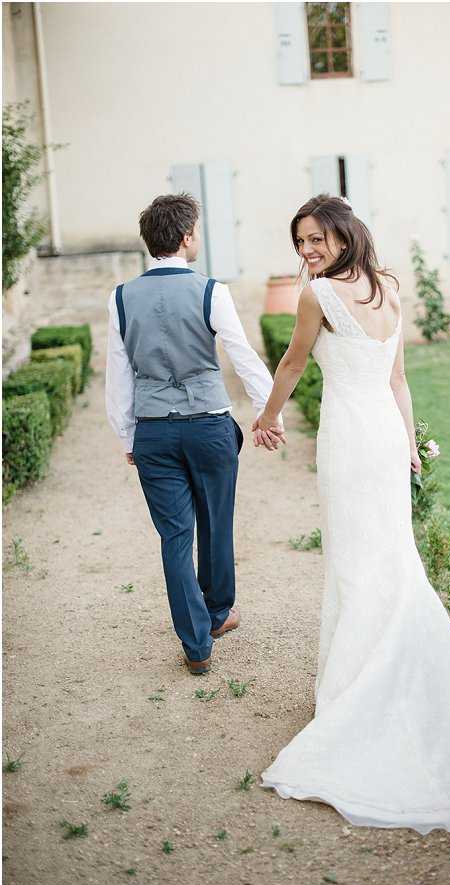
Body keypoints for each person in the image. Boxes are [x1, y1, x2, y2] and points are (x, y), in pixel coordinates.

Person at [253, 194, 450, 833]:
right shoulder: (389, 289)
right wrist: (405, 442)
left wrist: (266, 418)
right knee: (388, 557)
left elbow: (295, 364)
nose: (306, 252)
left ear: (345, 235)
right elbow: (397, 382)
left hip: (353, 437)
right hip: (377, 432)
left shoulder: (317, 297)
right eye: (299, 243)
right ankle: (388, 670)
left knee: (358, 562)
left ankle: (359, 688)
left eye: (316, 239)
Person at [105, 192, 284, 675]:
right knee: (216, 521)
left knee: (175, 536)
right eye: (197, 231)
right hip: (208, 425)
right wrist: (271, 414)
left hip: (154, 431)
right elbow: (242, 355)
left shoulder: (120, 298)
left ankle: (196, 644)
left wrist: (127, 438)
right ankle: (219, 613)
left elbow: (117, 375)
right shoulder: (212, 291)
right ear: (186, 238)